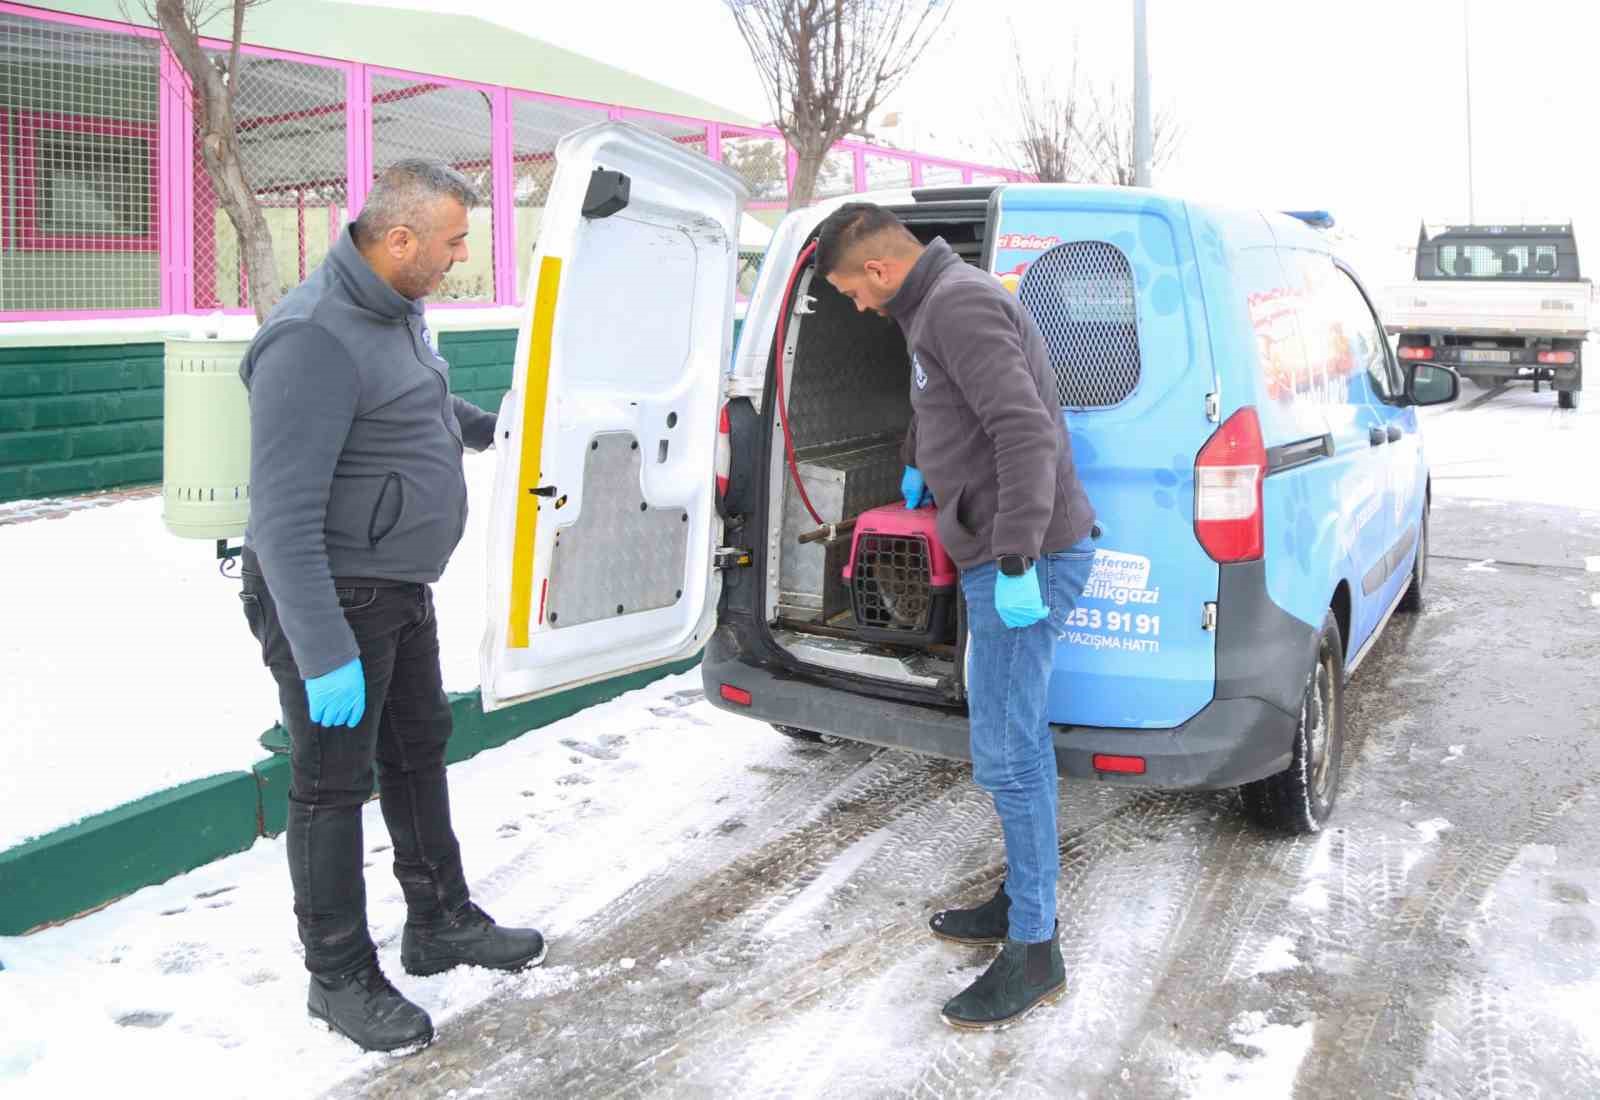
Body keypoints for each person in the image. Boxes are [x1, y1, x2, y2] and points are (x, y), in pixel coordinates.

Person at [238, 159, 544, 1054]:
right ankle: (335, 975)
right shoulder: (311, 338)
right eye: (452, 242)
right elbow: (282, 516)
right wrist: (322, 648)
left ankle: (439, 921)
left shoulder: (394, 310)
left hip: (398, 588)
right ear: (400, 239)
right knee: (332, 787)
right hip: (331, 596)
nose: (460, 258)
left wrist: (485, 425)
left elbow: (411, 403)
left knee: (418, 753)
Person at [816, 202, 1097, 1030]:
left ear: (876, 269)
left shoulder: (958, 302)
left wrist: (1014, 554)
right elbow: (949, 408)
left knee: (1009, 752)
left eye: (850, 293)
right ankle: (1021, 901)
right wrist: (917, 466)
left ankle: (1036, 947)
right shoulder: (931, 305)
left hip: (1025, 558)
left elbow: (1023, 430)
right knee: (1011, 736)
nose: (858, 310)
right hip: (998, 546)